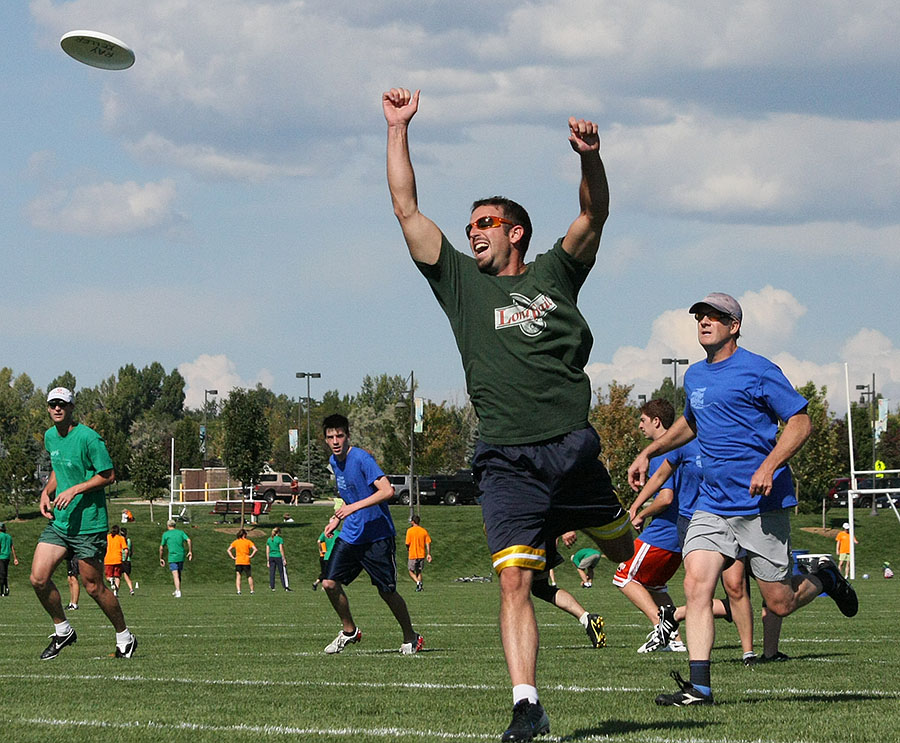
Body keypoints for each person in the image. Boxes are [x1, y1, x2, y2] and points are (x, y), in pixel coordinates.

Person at [384, 87, 633, 741]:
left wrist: (590, 158)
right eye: (469, 227)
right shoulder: (461, 283)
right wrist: (397, 129)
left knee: (631, 553)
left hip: (574, 451)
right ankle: (528, 703)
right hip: (505, 458)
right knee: (515, 581)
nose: (473, 233)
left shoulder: (554, 271)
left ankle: (710, 595)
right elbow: (406, 207)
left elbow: (594, 213)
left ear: (515, 230)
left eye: (485, 224)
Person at [627, 293, 857, 706]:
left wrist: (769, 465)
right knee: (697, 585)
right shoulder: (695, 376)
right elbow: (691, 424)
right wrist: (650, 450)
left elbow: (801, 422)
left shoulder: (759, 370)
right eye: (700, 316)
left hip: (759, 505)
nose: (704, 321)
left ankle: (826, 578)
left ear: (734, 326)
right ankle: (699, 687)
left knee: (780, 603)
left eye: (715, 316)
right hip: (712, 506)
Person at [29, 386, 137, 659]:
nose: (56, 408)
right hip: (61, 522)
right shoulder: (50, 437)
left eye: (62, 404)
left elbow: (108, 475)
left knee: (93, 586)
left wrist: (75, 489)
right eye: (52, 404)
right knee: (38, 579)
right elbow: (59, 469)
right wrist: (46, 492)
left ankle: (125, 636)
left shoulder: (89, 438)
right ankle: (63, 630)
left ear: (71, 408)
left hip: (89, 524)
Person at [320, 414, 423, 655]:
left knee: (386, 591)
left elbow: (387, 491)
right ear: (325, 440)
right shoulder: (334, 462)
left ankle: (411, 636)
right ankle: (349, 631)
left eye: (340, 435)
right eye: (330, 437)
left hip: (377, 536)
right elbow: (350, 495)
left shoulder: (362, 458)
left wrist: (352, 508)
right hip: (352, 535)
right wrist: (337, 518)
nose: (335, 441)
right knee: (329, 583)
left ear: (347, 436)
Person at [614, 400, 686, 653]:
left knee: (623, 575)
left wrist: (639, 512)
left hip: (663, 534)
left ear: (657, 421)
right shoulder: (684, 445)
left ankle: (662, 629)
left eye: (643, 420)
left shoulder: (661, 452)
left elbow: (665, 498)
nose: (640, 425)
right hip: (681, 535)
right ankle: (676, 641)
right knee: (655, 587)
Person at [159, 519, 192, 598]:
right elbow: (188, 540)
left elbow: (161, 547)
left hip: (172, 556)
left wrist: (161, 558)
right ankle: (177, 589)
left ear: (168, 526)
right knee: (178, 573)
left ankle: (178, 591)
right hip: (181, 555)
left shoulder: (166, 534)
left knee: (175, 574)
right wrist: (190, 551)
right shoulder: (180, 532)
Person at [405, 514, 432, 591]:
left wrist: (408, 549)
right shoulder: (423, 531)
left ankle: (418, 582)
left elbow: (407, 543)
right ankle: (419, 587)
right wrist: (428, 553)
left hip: (413, 554)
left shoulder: (409, 531)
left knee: (411, 571)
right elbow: (428, 542)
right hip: (421, 554)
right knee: (419, 571)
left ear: (413, 522)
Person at [228, 528, 257, 595]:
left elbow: (228, 550)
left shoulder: (236, 542)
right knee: (249, 575)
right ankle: (252, 590)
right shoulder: (248, 542)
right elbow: (255, 549)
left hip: (238, 560)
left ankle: (239, 590)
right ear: (244, 535)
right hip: (246, 560)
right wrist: (251, 556)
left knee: (238, 576)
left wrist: (233, 557)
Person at [312, 523, 340, 591]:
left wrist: (321, 550)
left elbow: (319, 541)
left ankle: (318, 583)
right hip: (334, 555)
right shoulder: (338, 533)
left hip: (325, 555)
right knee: (331, 572)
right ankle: (325, 586)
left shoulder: (325, 532)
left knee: (325, 571)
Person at [104, 524, 127, 596]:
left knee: (108, 577)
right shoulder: (121, 538)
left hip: (108, 559)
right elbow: (126, 550)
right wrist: (125, 559)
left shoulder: (107, 537)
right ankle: (115, 592)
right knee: (117, 576)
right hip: (118, 559)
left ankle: (111, 580)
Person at [267, 526, 291, 591]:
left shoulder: (269, 539)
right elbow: (281, 549)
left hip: (271, 556)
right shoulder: (280, 539)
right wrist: (284, 558)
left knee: (272, 572)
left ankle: (272, 586)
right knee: (282, 572)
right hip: (278, 556)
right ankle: (285, 586)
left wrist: (268, 560)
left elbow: (267, 550)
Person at [0, 523, 19, 596]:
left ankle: (2, 591)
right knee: (4, 573)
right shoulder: (9, 537)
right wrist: (15, 558)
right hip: (7, 557)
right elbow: (12, 547)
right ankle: (6, 588)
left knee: (1, 574)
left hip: (1, 557)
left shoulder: (0, 536)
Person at [120, 527, 136, 594]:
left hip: (120, 559)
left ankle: (116, 590)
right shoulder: (129, 540)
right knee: (127, 576)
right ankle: (131, 589)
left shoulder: (120, 540)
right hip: (128, 560)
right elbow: (131, 550)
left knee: (117, 576)